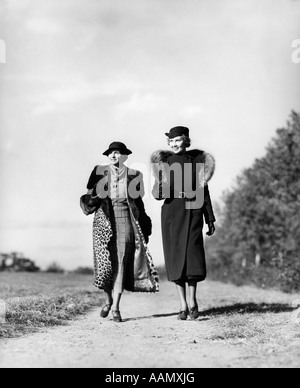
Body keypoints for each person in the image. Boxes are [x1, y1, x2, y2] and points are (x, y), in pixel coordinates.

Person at [81, 142, 159, 323]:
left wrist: (144, 223)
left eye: (117, 153)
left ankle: (115, 307)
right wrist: (92, 199)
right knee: (104, 264)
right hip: (104, 219)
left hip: (126, 218)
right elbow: (89, 195)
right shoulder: (99, 171)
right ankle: (107, 299)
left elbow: (139, 203)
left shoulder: (135, 175)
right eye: (111, 153)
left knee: (121, 262)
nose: (114, 156)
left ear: (124, 156)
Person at [151, 127, 216, 320]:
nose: (174, 144)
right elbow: (156, 194)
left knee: (192, 257)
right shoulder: (165, 164)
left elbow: (205, 193)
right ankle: (182, 305)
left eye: (178, 140)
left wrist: (209, 218)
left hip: (193, 212)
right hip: (171, 213)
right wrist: (164, 185)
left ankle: (193, 300)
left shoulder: (198, 163)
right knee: (175, 258)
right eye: (171, 142)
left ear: (186, 141)